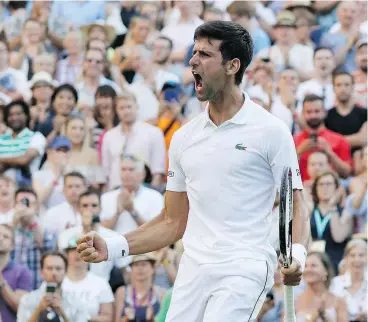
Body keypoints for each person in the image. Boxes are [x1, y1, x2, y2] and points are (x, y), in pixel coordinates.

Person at [77, 21, 309, 321]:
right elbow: (172, 222)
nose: (193, 60)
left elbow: (297, 204)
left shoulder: (271, 131)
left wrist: (299, 254)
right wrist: (113, 246)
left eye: (205, 54)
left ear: (232, 65)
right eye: (193, 52)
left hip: (244, 267)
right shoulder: (183, 138)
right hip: (193, 269)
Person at [17, 250, 89, 322]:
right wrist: (38, 310)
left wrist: (62, 313)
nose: (54, 273)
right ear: (41, 272)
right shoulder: (27, 300)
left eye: (58, 268)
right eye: (49, 268)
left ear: (66, 271)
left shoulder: (76, 302)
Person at [294, 94, 352, 181]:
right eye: (309, 112)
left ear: (324, 112)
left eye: (317, 111)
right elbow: (283, 172)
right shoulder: (294, 140)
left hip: (330, 189)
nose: (313, 115)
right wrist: (298, 152)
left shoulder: (340, 140)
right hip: (302, 190)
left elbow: (346, 173)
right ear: (302, 113)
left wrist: (329, 153)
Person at [11, 188, 57, 289]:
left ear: (36, 207)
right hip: (10, 289)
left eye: (29, 203)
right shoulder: (7, 227)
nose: (25, 207)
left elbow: (49, 253)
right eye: (21, 202)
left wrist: (32, 224)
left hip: (37, 287)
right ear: (14, 205)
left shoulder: (46, 228)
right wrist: (14, 222)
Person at [62, 235, 114, 322]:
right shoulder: (57, 281)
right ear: (67, 255)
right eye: (73, 250)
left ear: (90, 254)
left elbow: (107, 317)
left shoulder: (100, 283)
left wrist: (86, 319)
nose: (77, 254)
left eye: (81, 251)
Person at [294, 252, 349, 322]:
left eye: (313, 265)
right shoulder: (294, 302)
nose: (308, 269)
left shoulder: (339, 302)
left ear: (326, 271)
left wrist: (324, 315)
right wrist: (315, 314)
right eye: (305, 266)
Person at [114, 253, 165, 322]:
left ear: (153, 269)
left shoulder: (162, 293)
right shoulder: (122, 292)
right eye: (136, 264)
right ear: (131, 269)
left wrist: (152, 319)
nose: (140, 268)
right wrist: (126, 319)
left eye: (144, 264)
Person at [0, 224, 33, 322]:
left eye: (5, 236)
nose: (0, 238)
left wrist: (2, 283)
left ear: (12, 245)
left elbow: (21, 307)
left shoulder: (22, 272)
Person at [330, 239, 367, 321]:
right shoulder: (336, 283)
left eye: (361, 255)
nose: (357, 259)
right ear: (346, 258)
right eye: (352, 255)